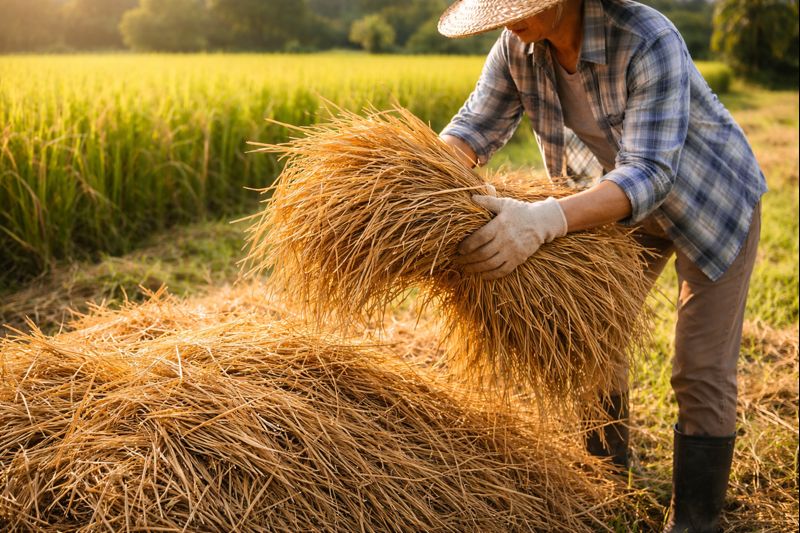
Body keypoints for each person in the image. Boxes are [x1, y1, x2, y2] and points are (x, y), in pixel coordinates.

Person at [436, 0, 767, 531]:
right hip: (613, 206)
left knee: (699, 367)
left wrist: (542, 220)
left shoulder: (645, 38)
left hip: (708, 202)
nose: (504, 19)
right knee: (592, 338)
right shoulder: (518, 47)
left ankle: (696, 521)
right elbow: (473, 128)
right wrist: (418, 178)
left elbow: (652, 173)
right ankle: (609, 478)